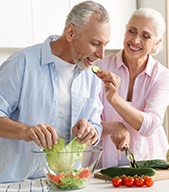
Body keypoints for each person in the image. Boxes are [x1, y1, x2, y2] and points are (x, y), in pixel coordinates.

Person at [0, 1, 110, 182]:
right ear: (71, 32)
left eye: (105, 44)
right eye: (95, 43)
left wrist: (91, 131)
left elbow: (95, 123)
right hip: (17, 184)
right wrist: (25, 131)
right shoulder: (23, 62)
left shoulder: (90, 76)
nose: (101, 54)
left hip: (65, 183)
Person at [95, 7, 169, 168]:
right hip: (106, 166)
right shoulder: (100, 67)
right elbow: (87, 123)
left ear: (156, 43)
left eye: (145, 36)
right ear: (125, 31)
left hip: (152, 165)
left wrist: (114, 99)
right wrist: (113, 127)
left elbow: (150, 126)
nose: (135, 40)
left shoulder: (162, 76)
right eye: (132, 31)